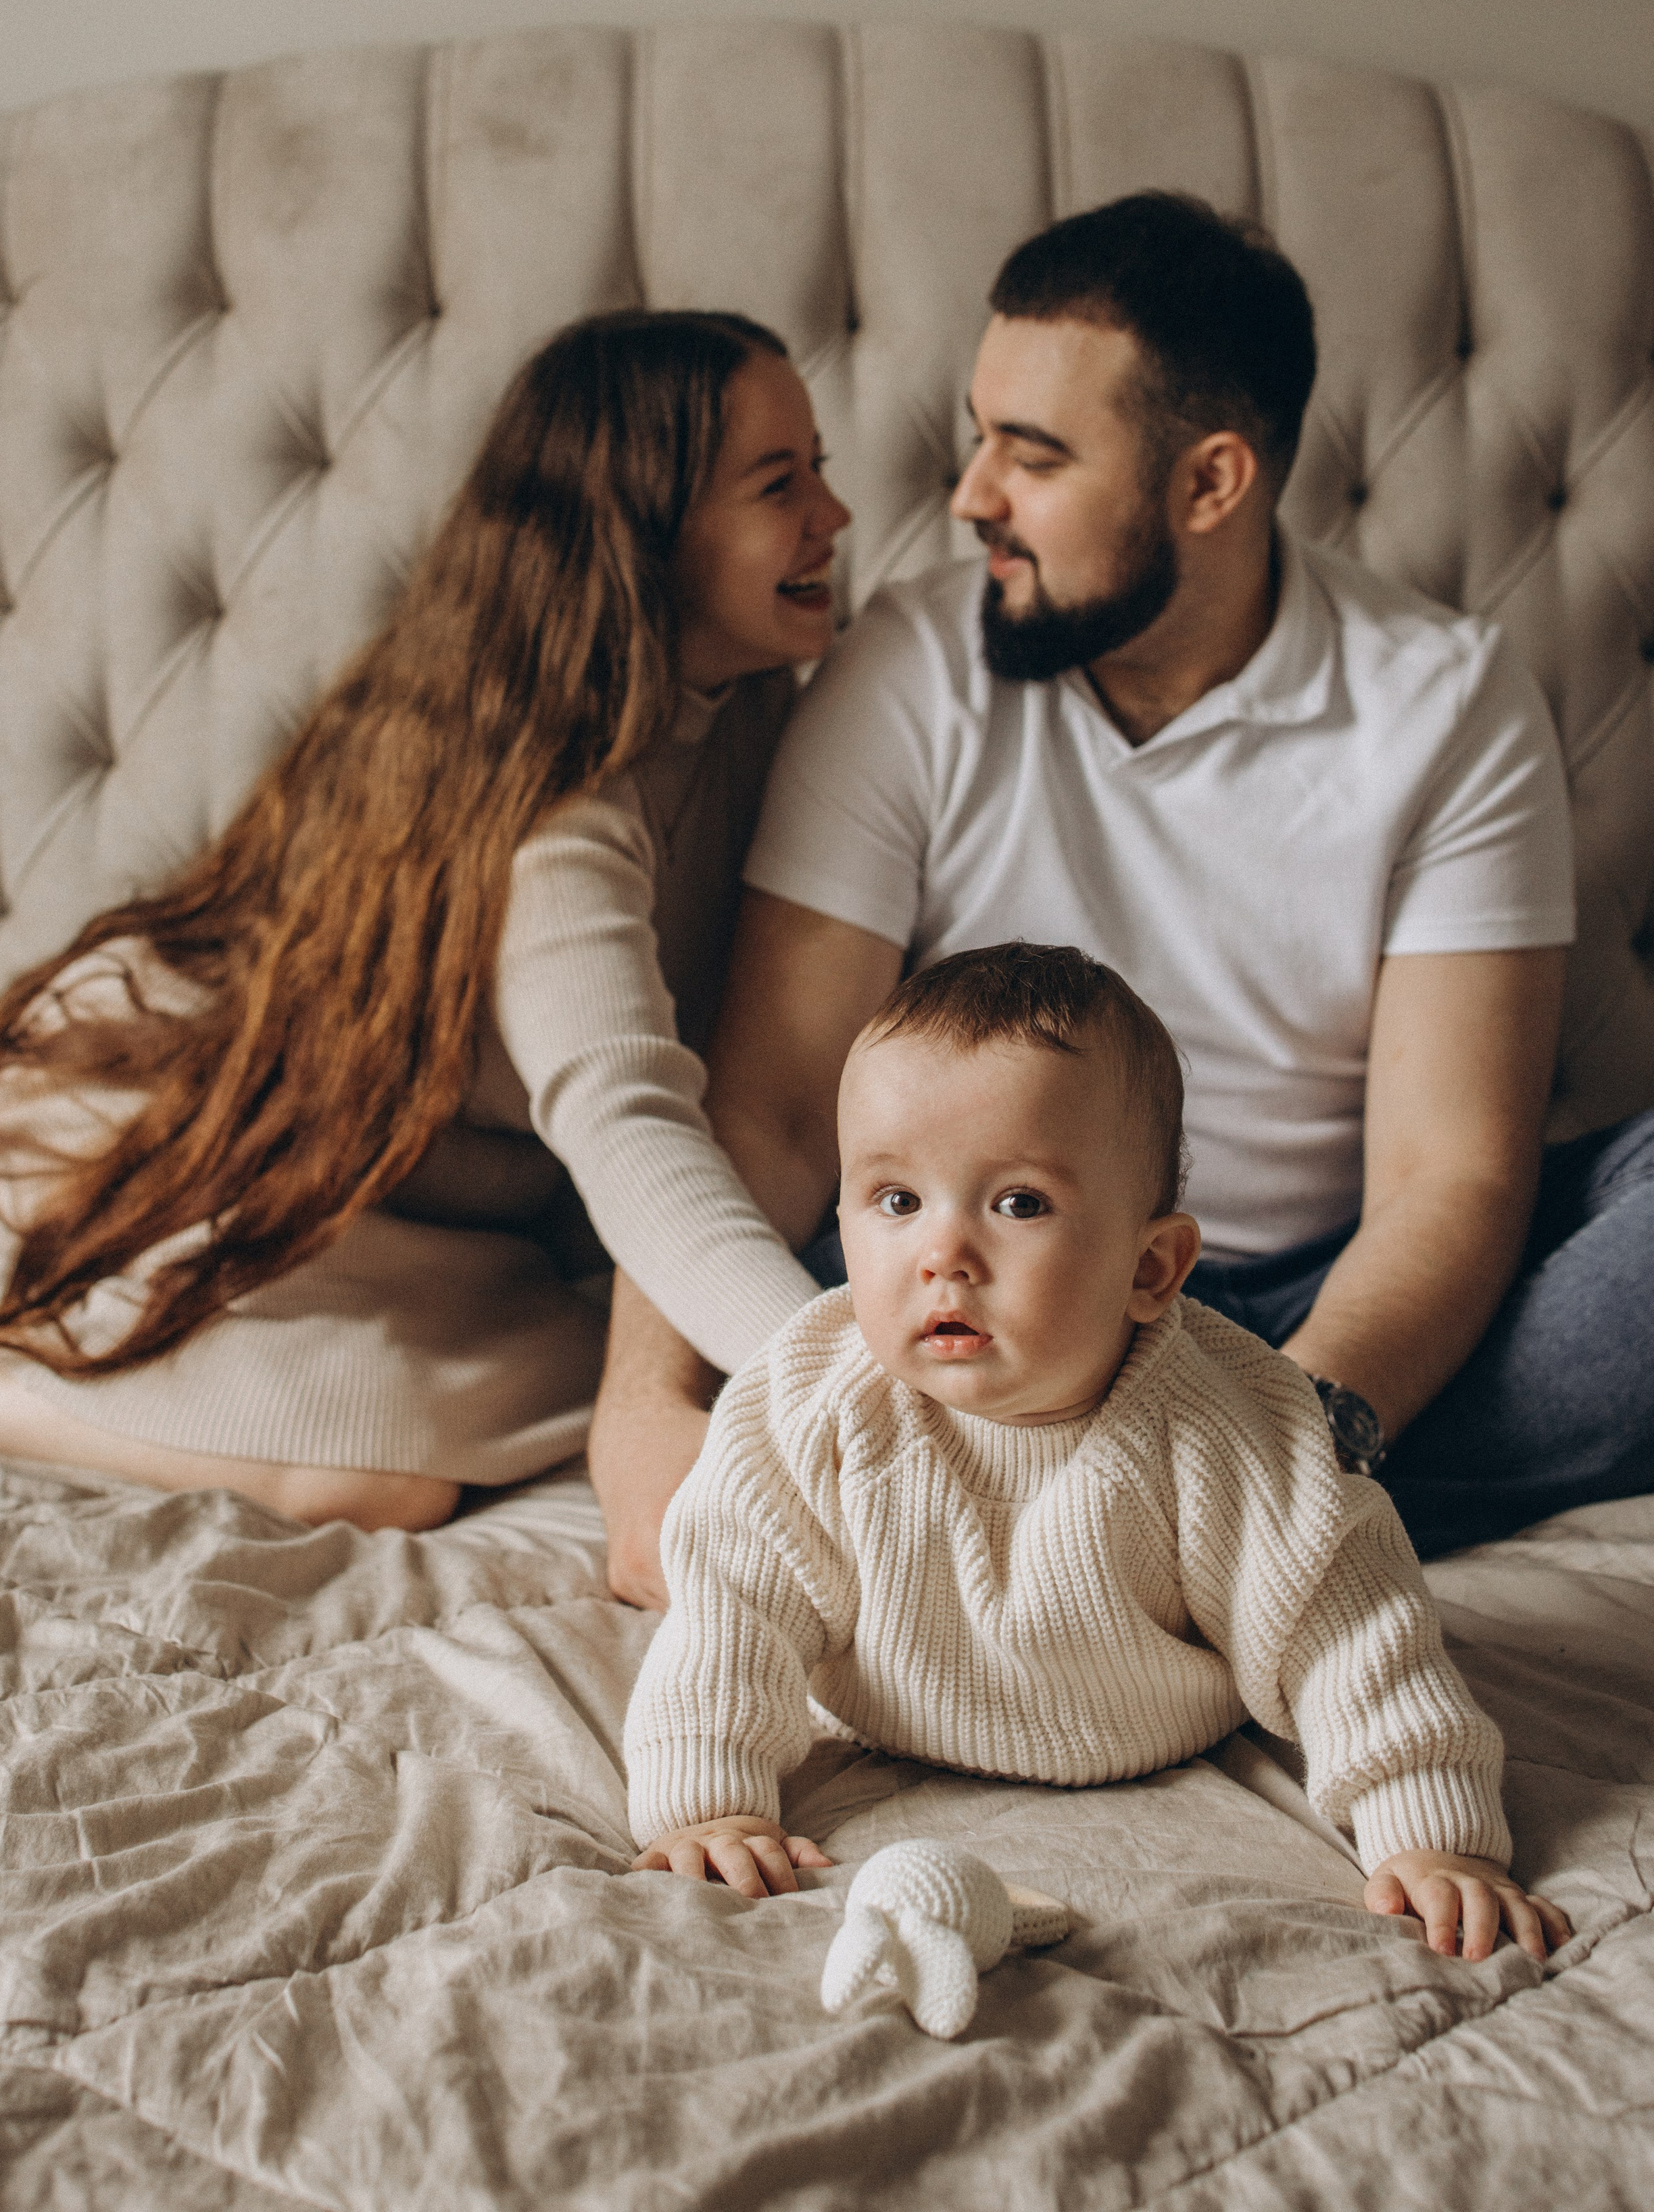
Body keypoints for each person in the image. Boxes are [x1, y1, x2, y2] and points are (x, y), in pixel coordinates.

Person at [594, 190, 1654, 1589]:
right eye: (981, 438)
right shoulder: (910, 665)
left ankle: (1138, 1513)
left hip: (1318, 1302)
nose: (969, 496)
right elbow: (774, 1103)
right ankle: (1147, 1524)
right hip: (980, 1277)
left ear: (1208, 482)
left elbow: (1447, 1175)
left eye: (1029, 458)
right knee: (827, 1267)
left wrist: (1287, 1436)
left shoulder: (1444, 700)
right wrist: (640, 1409)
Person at [0, 310, 845, 1530]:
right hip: (156, 1134)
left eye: (820, 467)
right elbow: (626, 1118)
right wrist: (843, 1385)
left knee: (549, 1372)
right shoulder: (558, 814)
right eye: (781, 485)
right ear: (647, 534)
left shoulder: (766, 718)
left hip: (401, 1201)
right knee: (375, 1480)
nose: (833, 517)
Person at [625, 945, 1570, 1968]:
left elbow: (1351, 1632)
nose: (943, 1252)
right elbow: (731, 1604)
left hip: (1159, 1722)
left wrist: (1432, 1833)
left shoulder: (1227, 1426)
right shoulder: (809, 1400)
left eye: (1019, 1202)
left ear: (1153, 1265)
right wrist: (708, 1804)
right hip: (887, 1708)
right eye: (896, 1200)